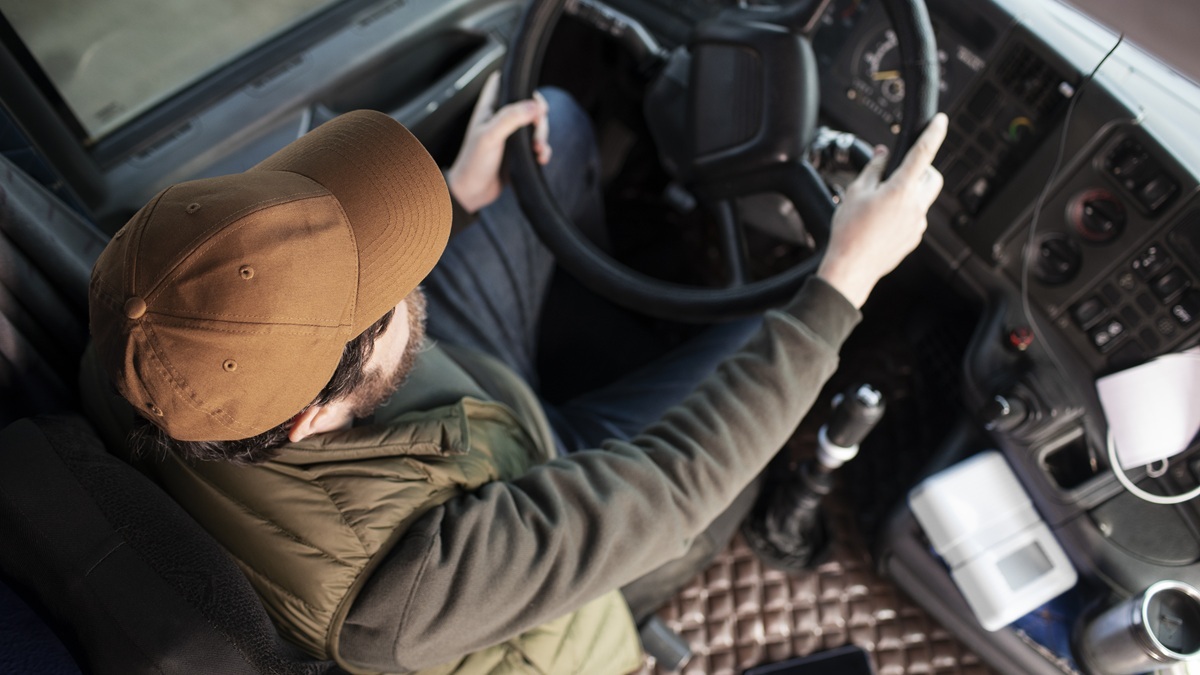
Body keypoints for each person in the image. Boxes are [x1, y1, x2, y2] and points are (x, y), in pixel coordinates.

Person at [82, 69, 947, 674]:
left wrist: (455, 199)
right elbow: (674, 481)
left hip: (456, 422)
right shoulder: (398, 595)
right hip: (538, 538)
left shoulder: (139, 344)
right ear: (312, 417)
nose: (409, 277)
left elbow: (301, 329)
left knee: (550, 132)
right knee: (771, 357)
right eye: (386, 291)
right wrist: (845, 277)